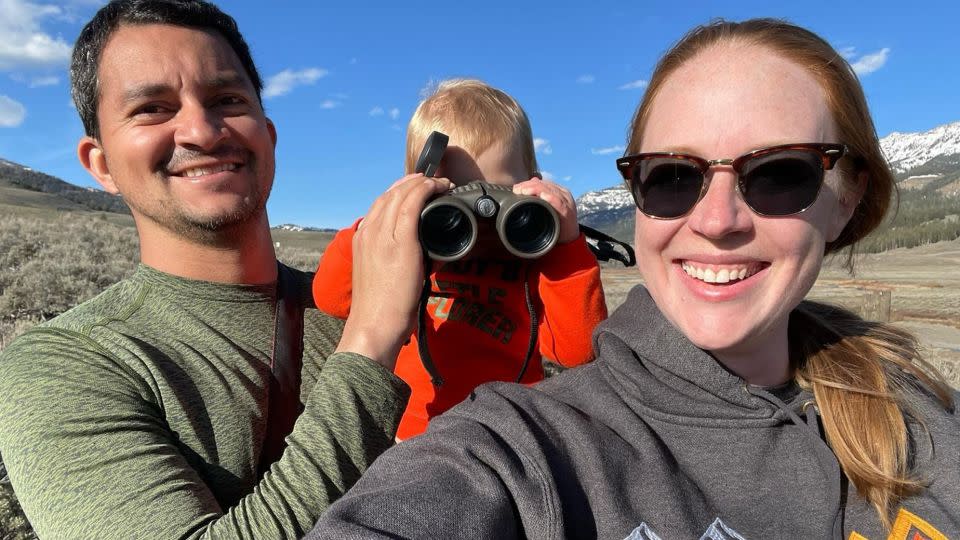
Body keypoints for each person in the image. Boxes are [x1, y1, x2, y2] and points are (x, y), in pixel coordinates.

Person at [307, 18, 960, 539]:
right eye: (672, 176)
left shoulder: (921, 417)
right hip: (421, 429)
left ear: (848, 196)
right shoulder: (530, 441)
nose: (718, 220)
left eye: (779, 173)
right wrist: (389, 221)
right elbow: (331, 295)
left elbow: (574, 345)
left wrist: (560, 247)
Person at [0, 0, 451, 537]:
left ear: (269, 135)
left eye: (227, 100)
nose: (202, 130)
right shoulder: (64, 364)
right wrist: (374, 335)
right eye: (152, 108)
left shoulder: (383, 304)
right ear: (101, 164)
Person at [312, 79, 607, 440]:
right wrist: (380, 222)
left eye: (501, 198)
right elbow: (331, 297)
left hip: (508, 436)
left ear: (532, 186)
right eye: (456, 201)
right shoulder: (411, 254)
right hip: (413, 433)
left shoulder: (538, 259)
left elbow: (576, 352)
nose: (481, 218)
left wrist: (566, 246)